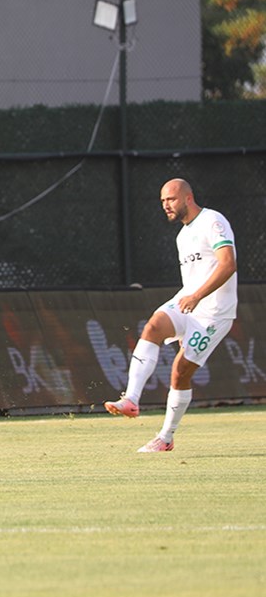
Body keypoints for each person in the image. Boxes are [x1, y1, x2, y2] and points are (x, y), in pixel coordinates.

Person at [104, 178, 237, 452]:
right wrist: (184, 321)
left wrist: (198, 296)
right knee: (153, 327)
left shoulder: (213, 221)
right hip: (188, 302)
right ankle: (131, 399)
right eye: (163, 201)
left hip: (214, 314)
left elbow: (228, 264)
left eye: (171, 199)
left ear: (188, 197)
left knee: (179, 373)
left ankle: (165, 438)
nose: (166, 205)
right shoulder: (182, 235)